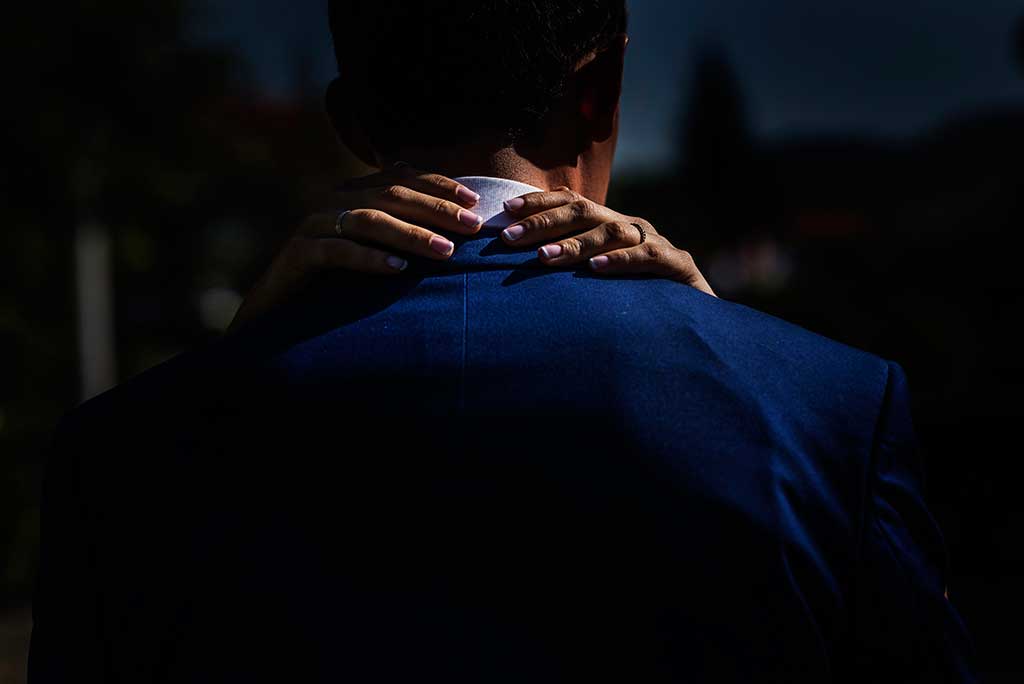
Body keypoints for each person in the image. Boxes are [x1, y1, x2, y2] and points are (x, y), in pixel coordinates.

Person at [29, 1, 975, 681]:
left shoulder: (125, 453)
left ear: (351, 125)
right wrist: (738, 358)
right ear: (601, 89)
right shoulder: (834, 409)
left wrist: (227, 376)